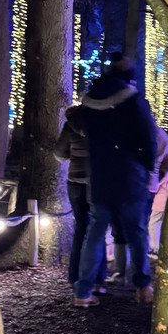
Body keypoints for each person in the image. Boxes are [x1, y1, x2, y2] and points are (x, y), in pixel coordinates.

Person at [73, 54, 158, 307]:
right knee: (136, 231)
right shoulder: (133, 100)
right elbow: (148, 137)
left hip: (100, 175)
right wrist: (147, 166)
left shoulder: (90, 100)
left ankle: (83, 291)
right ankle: (143, 287)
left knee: (96, 232)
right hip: (130, 176)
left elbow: (79, 124)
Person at [55, 105, 104, 292]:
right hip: (96, 181)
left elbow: (59, 154)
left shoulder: (71, 125)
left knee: (81, 228)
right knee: (96, 229)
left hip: (75, 181)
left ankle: (74, 275)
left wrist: (72, 154)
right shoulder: (102, 122)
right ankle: (97, 279)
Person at [148, 126, 168, 255]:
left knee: (153, 224)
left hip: (160, 198)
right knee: (156, 223)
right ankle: (156, 247)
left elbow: (162, 177)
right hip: (163, 198)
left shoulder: (164, 161)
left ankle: (155, 248)